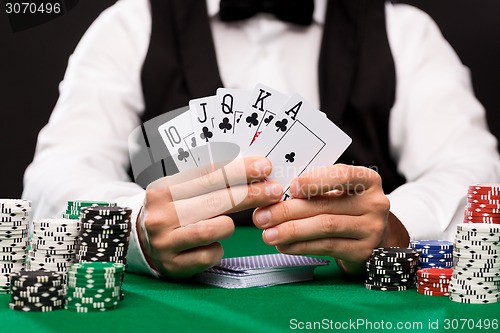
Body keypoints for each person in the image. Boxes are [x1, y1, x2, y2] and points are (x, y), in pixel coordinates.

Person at [23, 0, 500, 278]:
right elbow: (54, 175)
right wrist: (136, 227)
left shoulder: (404, 31)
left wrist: (396, 227)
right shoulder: (130, 23)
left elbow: (475, 170)